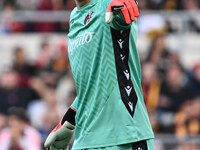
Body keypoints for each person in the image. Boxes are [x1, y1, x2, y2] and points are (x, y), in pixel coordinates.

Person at [45, 0, 154, 150]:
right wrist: (68, 121)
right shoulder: (75, 16)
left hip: (124, 136)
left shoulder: (108, 3)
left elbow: (123, 11)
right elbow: (92, 85)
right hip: (85, 140)